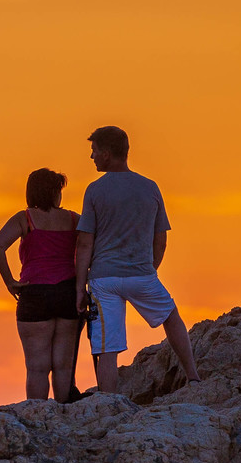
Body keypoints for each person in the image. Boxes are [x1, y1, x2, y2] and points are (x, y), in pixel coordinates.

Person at [75, 126, 201, 393]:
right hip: (141, 274)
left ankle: (108, 402)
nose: (92, 157)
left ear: (107, 154)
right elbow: (161, 239)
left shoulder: (95, 191)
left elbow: (85, 242)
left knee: (107, 346)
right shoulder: (150, 187)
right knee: (171, 316)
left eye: (94, 151)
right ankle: (193, 376)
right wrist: (149, 270)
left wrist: (79, 289)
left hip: (104, 279)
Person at [0, 169, 85, 402]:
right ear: (54, 193)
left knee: (37, 368)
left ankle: (37, 418)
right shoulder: (74, 219)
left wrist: (10, 281)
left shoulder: (25, 218)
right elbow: (90, 248)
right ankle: (65, 417)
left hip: (34, 293)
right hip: (67, 292)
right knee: (63, 365)